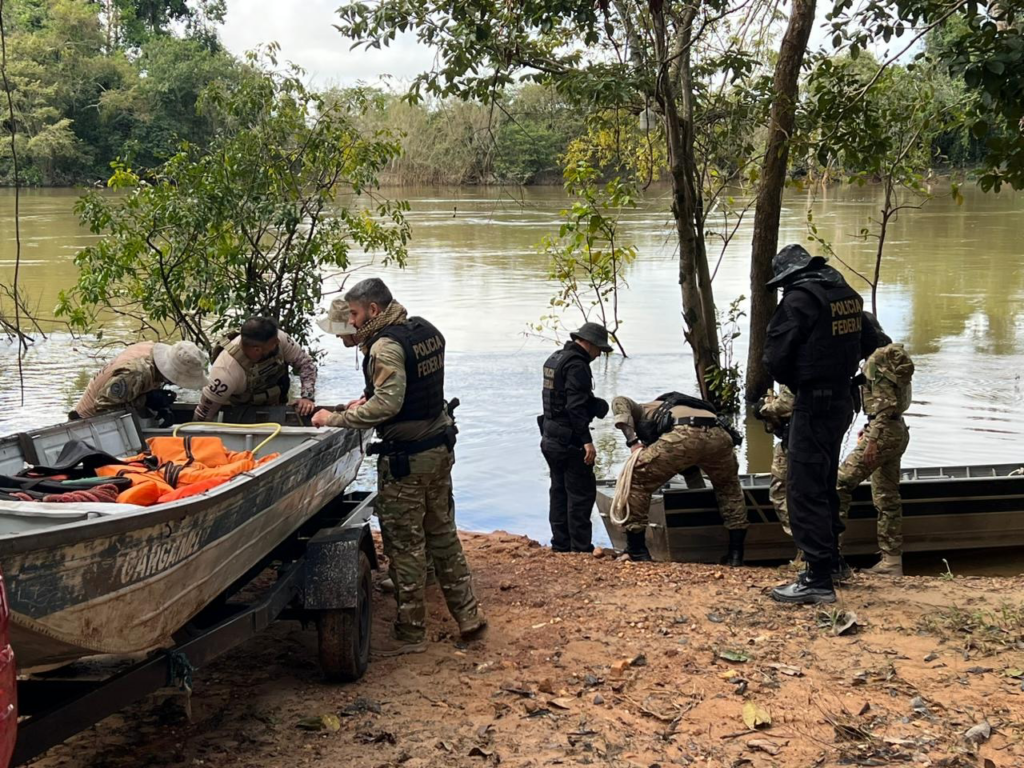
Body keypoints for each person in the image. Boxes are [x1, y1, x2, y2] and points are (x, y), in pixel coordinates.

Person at [310, 278, 485, 656]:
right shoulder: (424, 330)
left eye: (354, 314)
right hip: (439, 448)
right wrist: (368, 398)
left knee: (405, 547)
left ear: (373, 310)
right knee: (443, 534)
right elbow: (416, 390)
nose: (352, 322)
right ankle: (469, 615)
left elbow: (388, 407)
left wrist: (332, 418)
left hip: (408, 459)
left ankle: (410, 634)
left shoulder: (385, 346)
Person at [763, 244, 879, 604]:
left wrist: (801, 380)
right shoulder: (847, 295)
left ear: (790, 276)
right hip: (843, 401)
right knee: (824, 482)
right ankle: (832, 564)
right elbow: (873, 342)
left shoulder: (800, 300)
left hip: (813, 403)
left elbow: (775, 358)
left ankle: (817, 579)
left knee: (804, 489)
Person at [612, 392, 746, 563]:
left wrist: (633, 441)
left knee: (635, 480)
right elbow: (692, 471)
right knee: (729, 489)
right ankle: (736, 555)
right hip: (719, 434)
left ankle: (636, 550)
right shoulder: (688, 407)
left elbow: (619, 401)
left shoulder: (645, 408)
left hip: (683, 432)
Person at [837, 312, 914, 576]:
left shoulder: (875, 360)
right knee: (887, 496)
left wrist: (873, 438)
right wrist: (872, 428)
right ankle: (892, 562)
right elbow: (893, 403)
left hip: (884, 432)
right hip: (898, 429)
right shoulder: (892, 356)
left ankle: (831, 556)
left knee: (838, 484)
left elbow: (884, 404)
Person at [539, 323, 611, 554]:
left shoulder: (555, 358)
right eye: (599, 349)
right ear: (588, 343)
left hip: (550, 437)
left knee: (558, 491)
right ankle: (580, 549)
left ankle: (561, 545)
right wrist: (586, 441)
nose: (599, 354)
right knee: (581, 494)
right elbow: (574, 407)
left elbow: (558, 400)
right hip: (570, 440)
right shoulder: (578, 366)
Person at [193, 317, 317, 422]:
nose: (278, 342)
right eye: (274, 342)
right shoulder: (224, 372)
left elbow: (306, 364)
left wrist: (307, 397)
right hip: (238, 412)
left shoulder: (278, 337)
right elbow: (203, 415)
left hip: (275, 404)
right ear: (257, 349)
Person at [71, 341, 208, 425]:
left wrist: (159, 405)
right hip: (89, 422)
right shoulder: (137, 373)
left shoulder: (150, 351)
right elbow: (104, 405)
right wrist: (147, 400)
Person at [755, 385, 796, 538]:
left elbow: (787, 403)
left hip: (795, 443)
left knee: (779, 494)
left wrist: (764, 408)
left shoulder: (792, 365)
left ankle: (805, 551)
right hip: (824, 440)